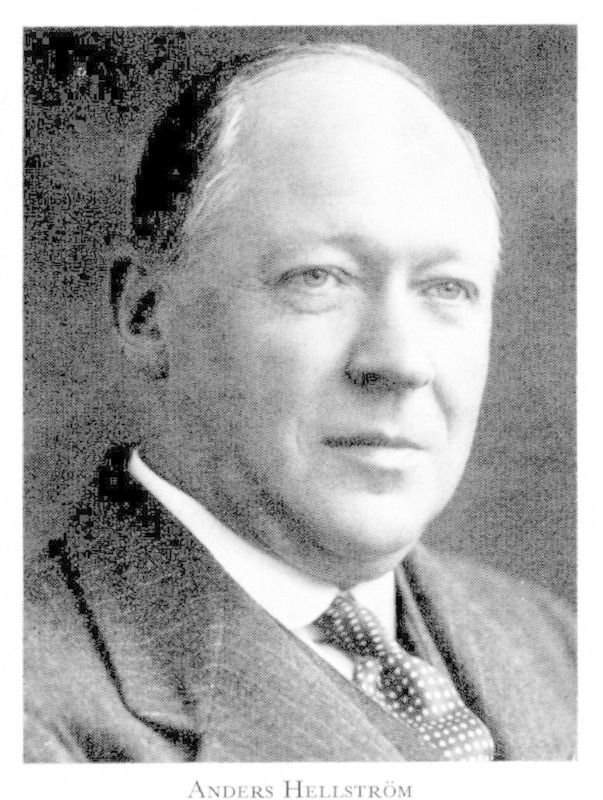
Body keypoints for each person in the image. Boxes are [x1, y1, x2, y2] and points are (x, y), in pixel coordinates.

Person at [24, 41, 576, 762]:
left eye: (447, 288)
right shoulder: (33, 708)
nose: (401, 363)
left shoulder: (561, 648)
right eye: (319, 277)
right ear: (146, 313)